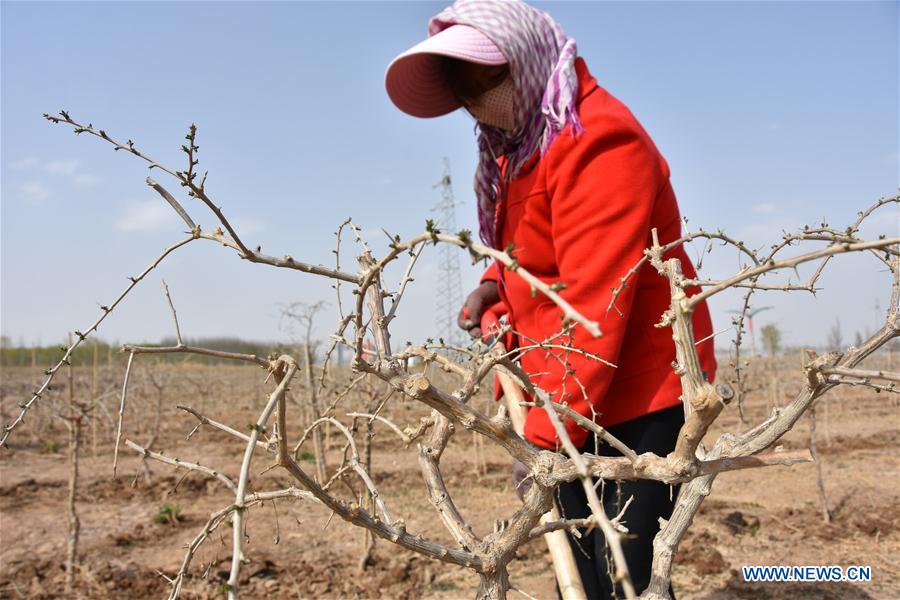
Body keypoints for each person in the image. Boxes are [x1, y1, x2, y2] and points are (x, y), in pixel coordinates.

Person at [385, 1, 717, 597]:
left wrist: (541, 439)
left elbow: (594, 303)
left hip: (636, 393)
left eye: (489, 80)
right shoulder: (523, 145)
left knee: (625, 572)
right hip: (567, 388)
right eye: (465, 90)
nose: (478, 102)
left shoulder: (599, 139)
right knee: (580, 568)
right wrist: (495, 282)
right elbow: (537, 249)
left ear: (529, 60)